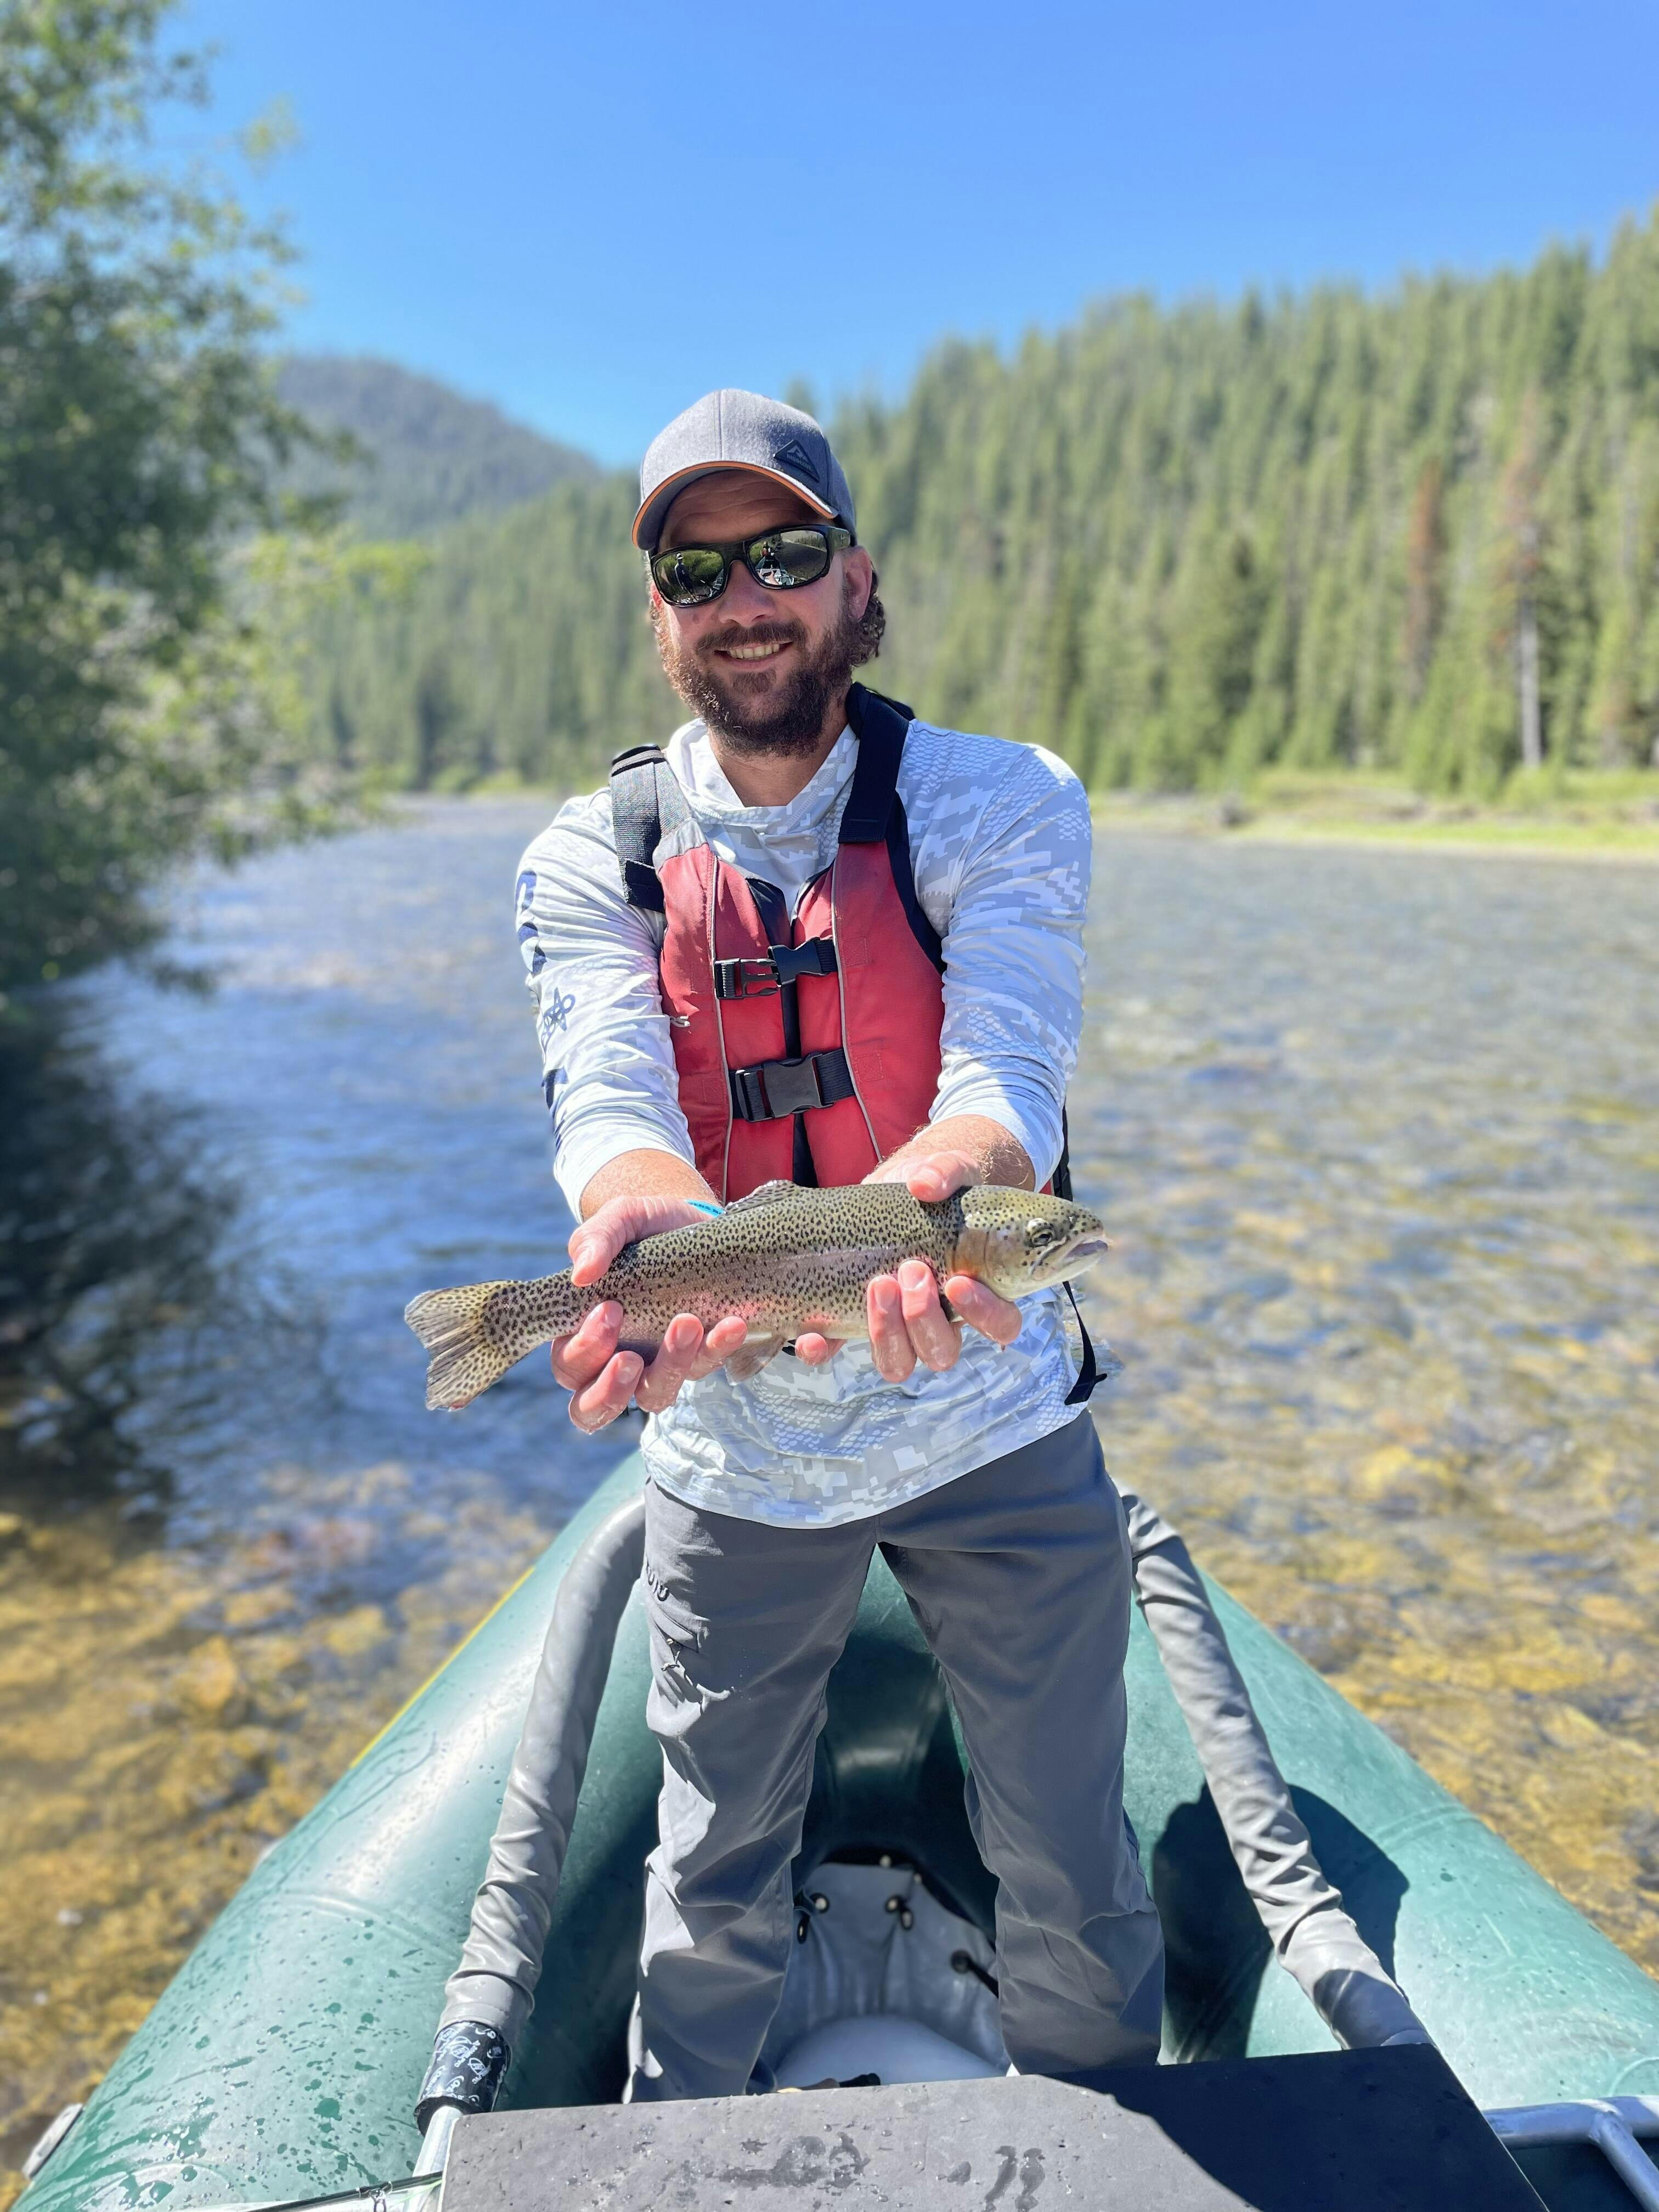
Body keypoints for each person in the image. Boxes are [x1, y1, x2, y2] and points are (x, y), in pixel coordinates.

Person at [514, 388, 1164, 2100]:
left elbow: (1008, 1061)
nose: (746, 599)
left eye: (785, 554)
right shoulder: (590, 857)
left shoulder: (999, 798)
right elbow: (608, 1089)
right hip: (731, 1452)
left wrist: (966, 1181)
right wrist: (636, 1216)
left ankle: (1110, 2156)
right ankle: (676, 2170)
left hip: (997, 1433)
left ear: (855, 577)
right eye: (697, 569)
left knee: (1076, 1875)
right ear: (658, 612)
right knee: (708, 1884)